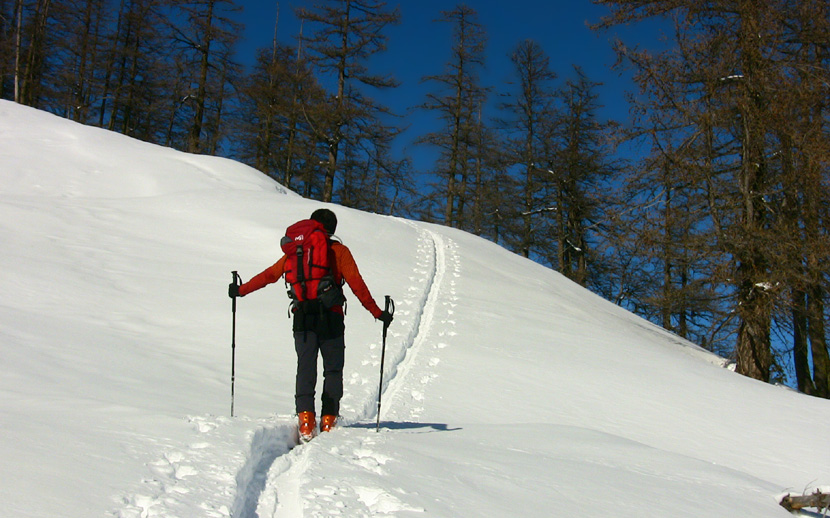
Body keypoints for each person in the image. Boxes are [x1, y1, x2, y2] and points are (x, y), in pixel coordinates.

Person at [228, 208, 393, 441]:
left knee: (305, 367)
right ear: (333, 228)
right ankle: (328, 419)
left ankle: (306, 421)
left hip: (303, 317)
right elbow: (357, 286)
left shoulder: (295, 253)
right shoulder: (339, 251)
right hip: (332, 318)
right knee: (332, 368)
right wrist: (378, 313)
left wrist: (240, 291)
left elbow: (269, 276)